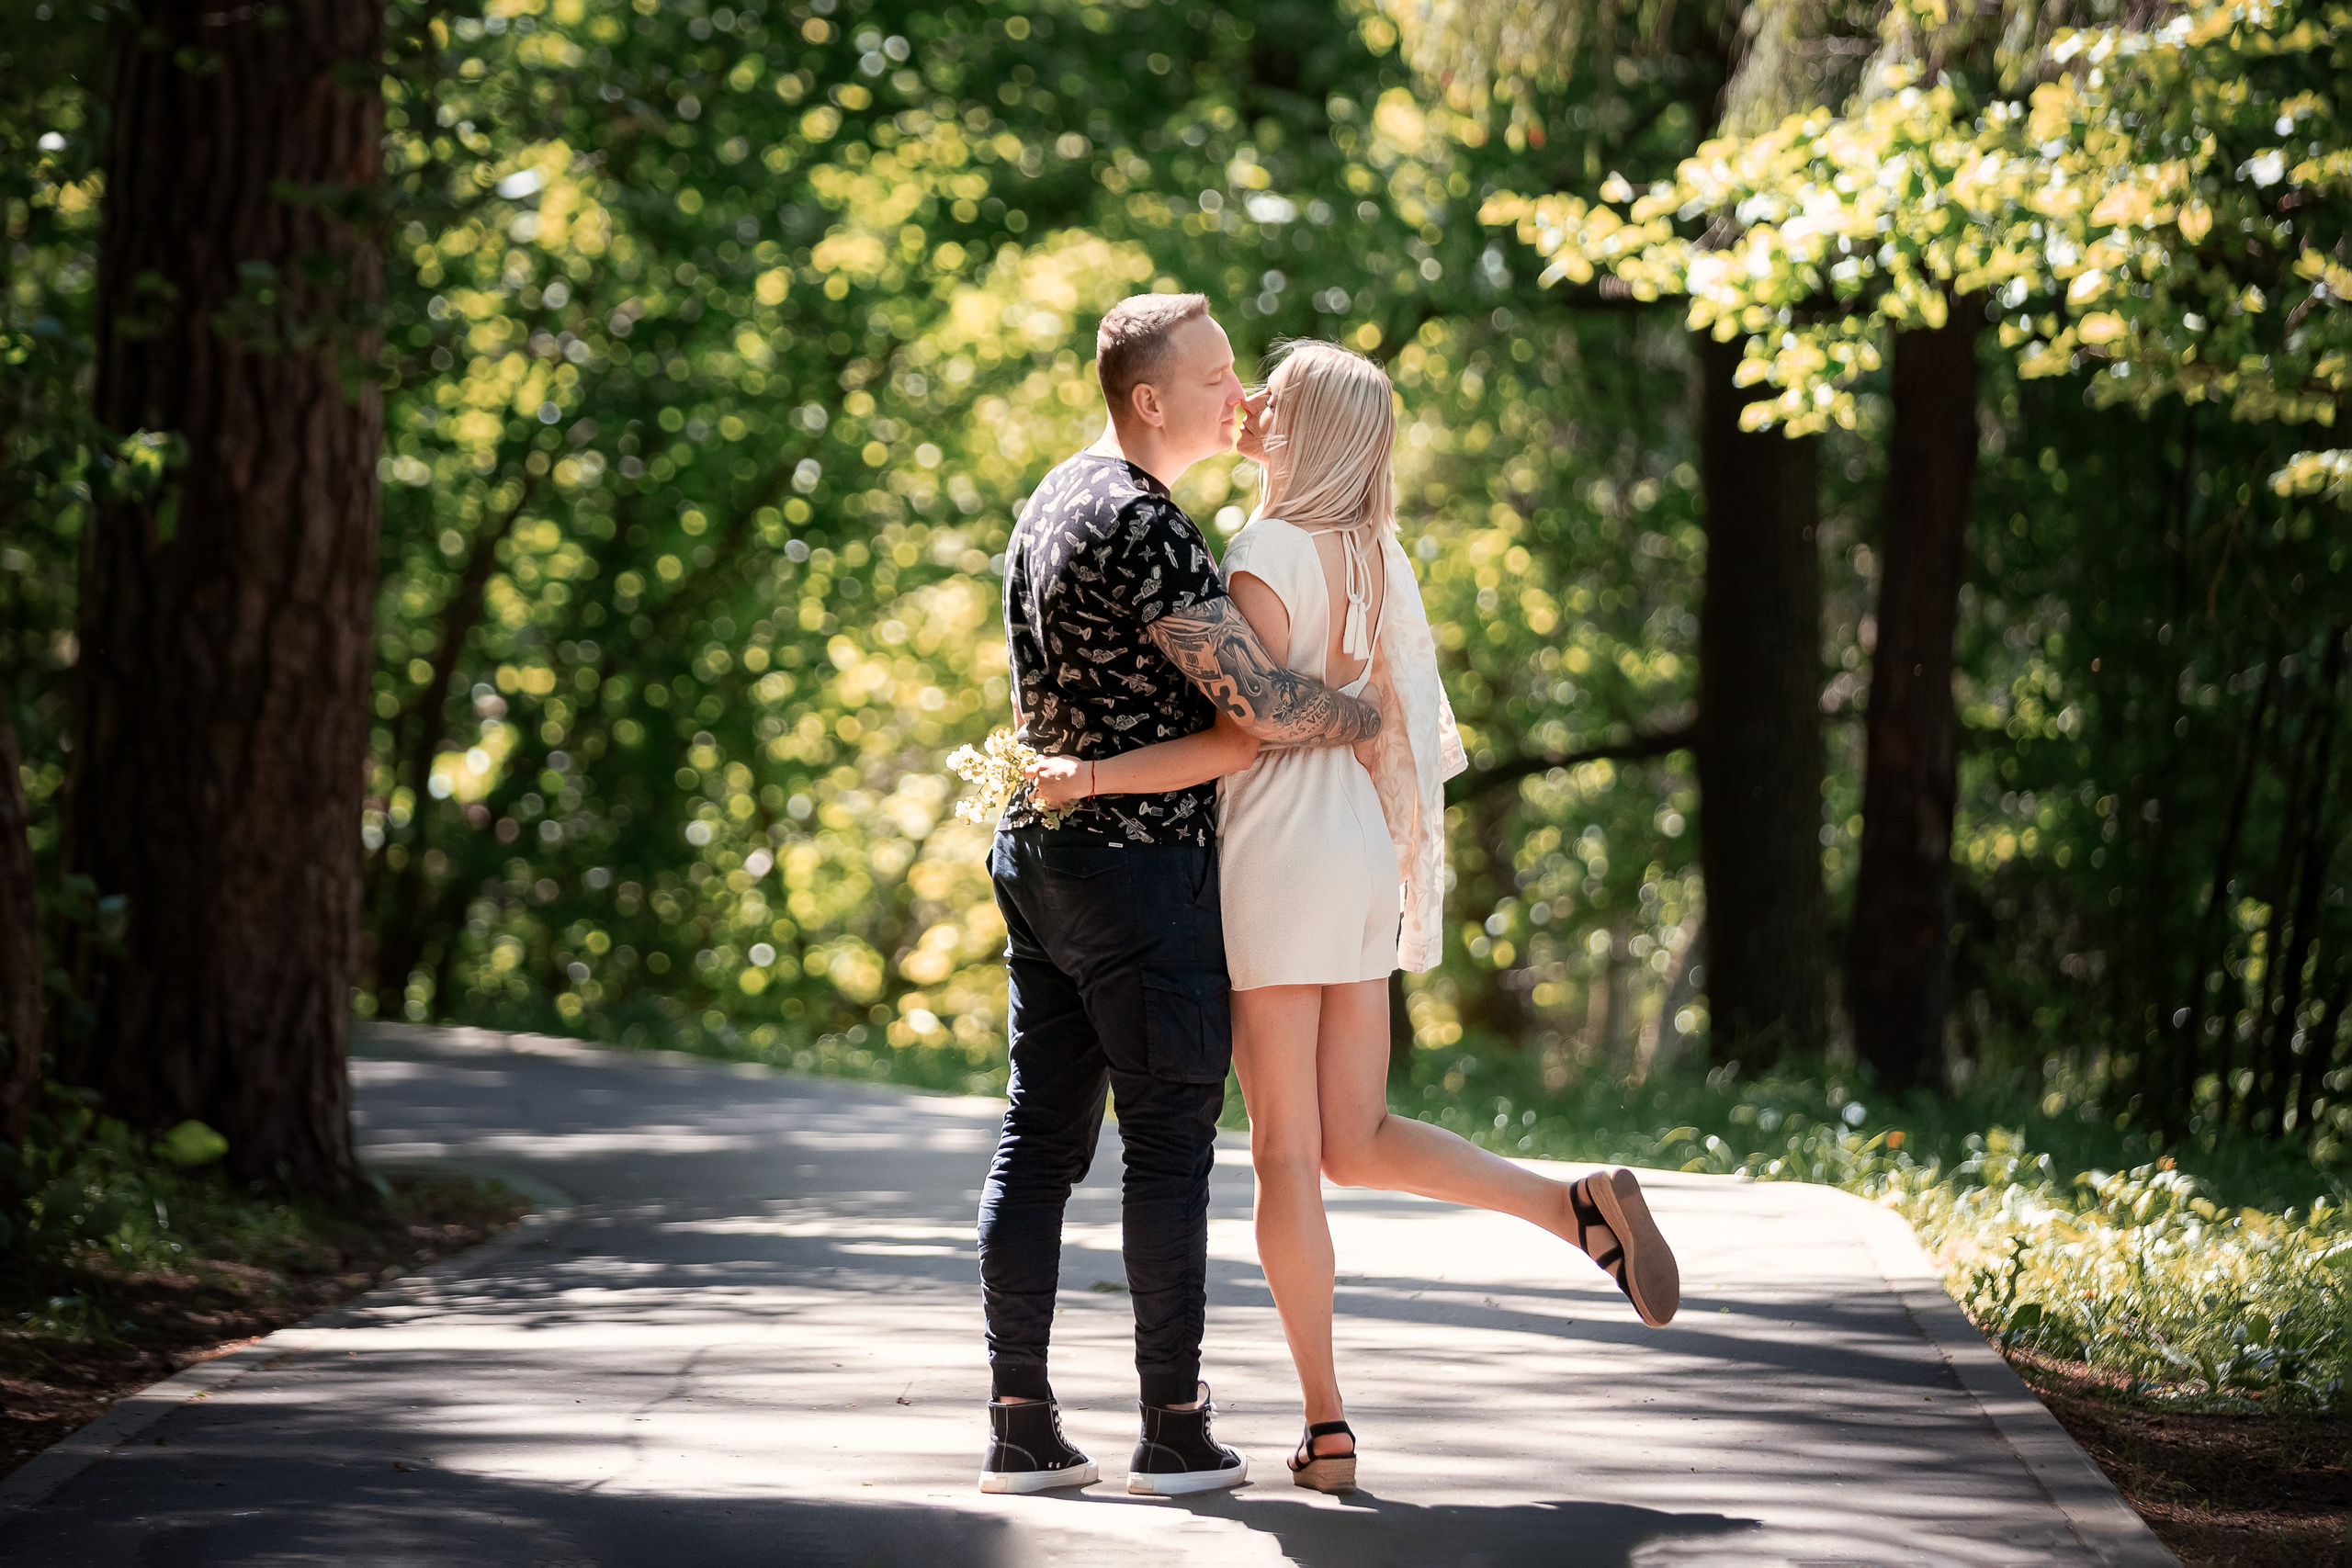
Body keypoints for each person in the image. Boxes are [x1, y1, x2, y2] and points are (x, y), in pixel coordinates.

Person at [1027, 341, 1682, 1497]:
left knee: (1285, 1152)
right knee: (1356, 1137)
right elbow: (1379, 713)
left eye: (1266, 401)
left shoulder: (1261, 550)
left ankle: (1326, 1423)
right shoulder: (1376, 554)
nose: (1244, 407)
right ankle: (1571, 1206)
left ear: (1304, 431)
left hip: (1276, 853)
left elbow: (1249, 731)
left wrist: (1090, 777)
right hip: (1356, 852)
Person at [977, 294, 1382, 1497]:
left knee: (1039, 1139)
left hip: (1041, 856)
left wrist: (1259, 447)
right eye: (1216, 377)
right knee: (1166, 1145)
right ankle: (1173, 1425)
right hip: (1141, 865)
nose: (1241, 392)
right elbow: (1256, 708)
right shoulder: (1143, 520)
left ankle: (1022, 1423)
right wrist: (1364, 715)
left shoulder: (1055, 493)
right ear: (1149, 399)